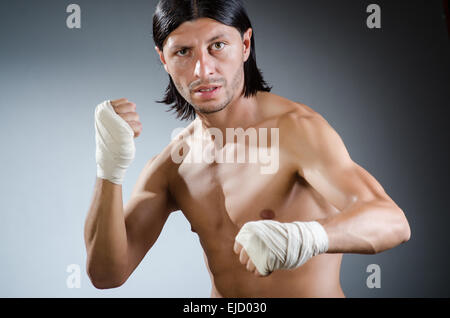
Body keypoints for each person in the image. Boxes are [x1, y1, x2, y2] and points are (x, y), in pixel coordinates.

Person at [84, 0, 411, 297]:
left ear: (245, 44)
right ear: (163, 60)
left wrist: (305, 238)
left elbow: (392, 222)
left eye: (218, 46)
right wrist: (109, 168)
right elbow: (107, 274)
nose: (203, 70)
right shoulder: (173, 164)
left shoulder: (296, 130)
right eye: (183, 52)